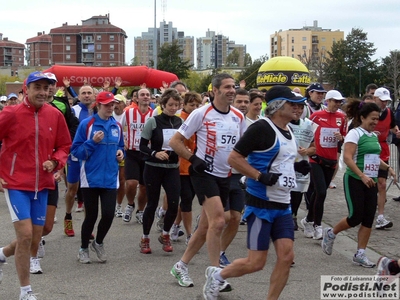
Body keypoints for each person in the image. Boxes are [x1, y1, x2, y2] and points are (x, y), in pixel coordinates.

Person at [202, 85, 311, 300]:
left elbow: (280, 161)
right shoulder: (262, 128)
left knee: (286, 257)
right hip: (261, 205)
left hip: (283, 205)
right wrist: (259, 176)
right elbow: (234, 159)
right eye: (292, 104)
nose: (298, 109)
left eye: (299, 105)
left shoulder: (289, 130)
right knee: (256, 263)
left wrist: (296, 168)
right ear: (278, 106)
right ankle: (217, 275)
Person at [169, 73, 246, 289]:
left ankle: (181, 266)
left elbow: (243, 148)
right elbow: (175, 141)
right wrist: (193, 159)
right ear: (214, 91)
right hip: (203, 174)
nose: (232, 90)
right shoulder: (201, 114)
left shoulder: (238, 117)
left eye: (233, 87)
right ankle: (215, 276)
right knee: (219, 221)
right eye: (227, 87)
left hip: (225, 176)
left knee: (205, 228)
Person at [0, 71, 71, 300]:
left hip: (43, 185)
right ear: (26, 89)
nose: (42, 92)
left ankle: (1, 254)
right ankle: (25, 291)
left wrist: (56, 161)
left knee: (34, 236)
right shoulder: (10, 114)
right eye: (37, 87)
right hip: (16, 183)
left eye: (46, 87)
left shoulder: (55, 115)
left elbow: (64, 146)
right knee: (25, 235)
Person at [321, 99, 395, 268]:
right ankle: (331, 233)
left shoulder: (373, 136)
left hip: (371, 180)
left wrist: (388, 168)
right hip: (355, 179)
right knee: (355, 217)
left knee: (369, 218)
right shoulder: (355, 133)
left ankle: (360, 253)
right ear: (362, 118)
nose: (375, 122)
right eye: (372, 118)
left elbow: (374, 158)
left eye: (377, 119)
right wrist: (361, 175)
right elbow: (347, 157)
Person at [71, 91, 124, 263]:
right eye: (107, 104)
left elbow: (122, 147)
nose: (111, 107)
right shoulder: (87, 125)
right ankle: (83, 248)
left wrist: (121, 154)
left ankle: (98, 242)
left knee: (109, 214)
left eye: (112, 104)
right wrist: (92, 142)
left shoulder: (116, 126)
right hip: (90, 178)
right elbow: (76, 151)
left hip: (110, 177)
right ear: (98, 105)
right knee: (91, 216)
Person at [138, 88, 183, 253]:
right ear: (163, 104)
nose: (173, 108)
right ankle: (145, 237)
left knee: (173, 203)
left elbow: (183, 143)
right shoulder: (153, 121)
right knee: (152, 203)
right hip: (153, 168)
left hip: (172, 168)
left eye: (176, 105)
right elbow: (142, 146)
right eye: (170, 104)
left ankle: (165, 234)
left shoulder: (180, 123)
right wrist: (155, 153)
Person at [301, 90, 347, 240]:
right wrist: (307, 150)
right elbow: (308, 134)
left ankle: (308, 219)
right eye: (335, 101)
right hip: (316, 159)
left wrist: (341, 138)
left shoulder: (342, 117)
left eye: (339, 102)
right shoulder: (316, 116)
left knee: (318, 193)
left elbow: (345, 137)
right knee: (321, 192)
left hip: (331, 160)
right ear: (328, 101)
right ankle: (317, 225)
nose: (337, 104)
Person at [219, 88, 250, 268]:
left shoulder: (248, 122)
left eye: (246, 102)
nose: (243, 105)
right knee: (222, 218)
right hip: (220, 174)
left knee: (235, 218)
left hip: (238, 175)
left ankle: (221, 252)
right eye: (240, 101)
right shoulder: (220, 117)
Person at [169, 92, 202, 244]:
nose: (195, 108)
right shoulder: (180, 120)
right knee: (187, 199)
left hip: (197, 165)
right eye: (191, 105)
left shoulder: (200, 118)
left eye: (197, 105)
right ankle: (190, 235)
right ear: (184, 105)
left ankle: (175, 226)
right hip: (182, 165)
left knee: (188, 199)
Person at [63, 83, 96, 237]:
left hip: (93, 157)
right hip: (75, 156)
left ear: (94, 95)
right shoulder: (73, 111)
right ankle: (68, 215)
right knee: (72, 190)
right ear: (79, 96)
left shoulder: (98, 111)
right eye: (83, 93)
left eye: (89, 92)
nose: (87, 95)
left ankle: (87, 226)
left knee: (89, 192)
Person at [121, 87, 154, 224]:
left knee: (145, 186)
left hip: (147, 154)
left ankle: (140, 210)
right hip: (132, 152)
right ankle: (130, 204)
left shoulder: (154, 114)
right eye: (142, 95)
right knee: (131, 183)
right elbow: (119, 127)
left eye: (147, 94)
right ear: (137, 98)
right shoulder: (128, 112)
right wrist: (123, 142)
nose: (145, 97)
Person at [373, 87, 400, 229]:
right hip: (368, 151)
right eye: (382, 101)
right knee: (370, 184)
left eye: (386, 101)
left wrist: (396, 131)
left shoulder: (389, 112)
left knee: (382, 183)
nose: (384, 104)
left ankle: (381, 217)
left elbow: (392, 125)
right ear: (375, 99)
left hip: (383, 150)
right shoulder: (367, 111)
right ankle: (365, 210)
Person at [288, 101, 317, 230]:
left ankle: (293, 215)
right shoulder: (283, 123)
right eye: (295, 107)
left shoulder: (308, 125)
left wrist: (307, 151)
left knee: (297, 193)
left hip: (301, 165)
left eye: (301, 108)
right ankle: (286, 216)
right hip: (286, 164)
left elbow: (314, 148)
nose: (298, 111)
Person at [112, 94, 128, 218]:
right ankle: (111, 204)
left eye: (118, 102)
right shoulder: (109, 114)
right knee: (112, 179)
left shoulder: (127, 115)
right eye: (114, 103)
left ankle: (119, 205)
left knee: (122, 180)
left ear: (124, 104)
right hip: (110, 150)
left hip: (123, 149)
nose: (116, 105)